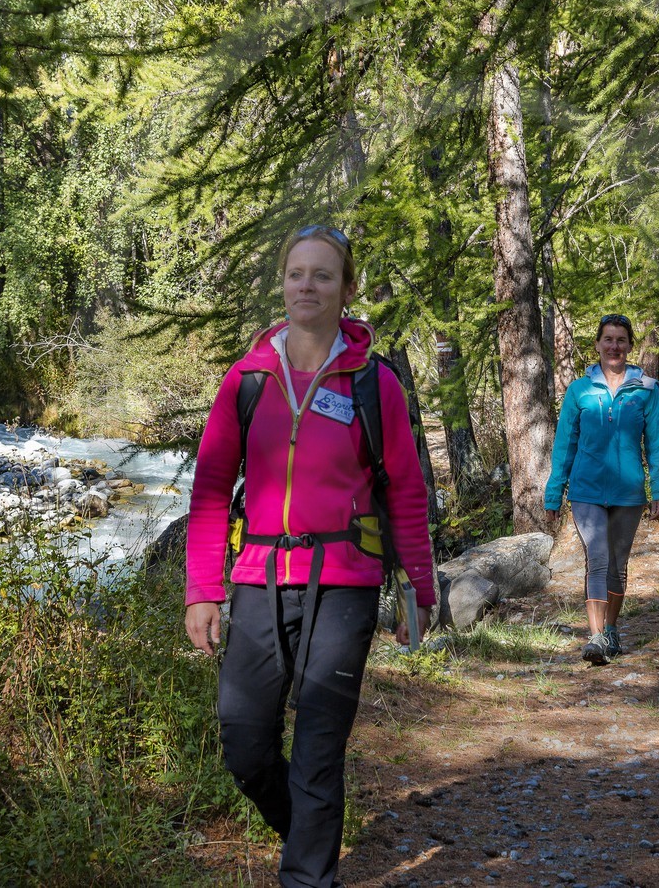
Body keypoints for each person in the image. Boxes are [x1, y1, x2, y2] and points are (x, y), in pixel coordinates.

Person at [184, 225, 436, 888]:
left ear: (346, 289)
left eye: (323, 275)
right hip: (258, 578)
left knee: (319, 752)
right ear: (283, 281)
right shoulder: (247, 379)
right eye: (297, 272)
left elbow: (406, 490)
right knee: (244, 744)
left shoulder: (372, 383)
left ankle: (307, 875)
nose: (307, 285)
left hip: (344, 582)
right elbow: (211, 488)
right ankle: (309, 835)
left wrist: (419, 591)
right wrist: (202, 591)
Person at [543, 313, 659, 666]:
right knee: (597, 558)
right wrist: (555, 493)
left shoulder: (646, 389)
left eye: (621, 340)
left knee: (618, 565)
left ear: (629, 346)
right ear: (597, 345)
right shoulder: (579, 390)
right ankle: (596, 636)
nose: (614, 346)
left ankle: (611, 627)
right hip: (586, 490)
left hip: (629, 491)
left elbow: (658, 442)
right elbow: (564, 444)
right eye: (608, 340)